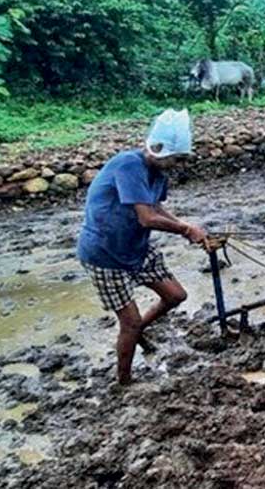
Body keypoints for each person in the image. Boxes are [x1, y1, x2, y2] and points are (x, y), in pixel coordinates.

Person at [77, 109, 207, 384]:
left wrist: (187, 229)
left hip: (136, 248)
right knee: (130, 321)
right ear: (158, 150)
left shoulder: (158, 174)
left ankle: (137, 331)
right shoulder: (128, 165)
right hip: (105, 253)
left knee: (175, 296)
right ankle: (123, 382)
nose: (177, 163)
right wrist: (185, 229)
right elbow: (146, 217)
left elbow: (155, 206)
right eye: (175, 158)